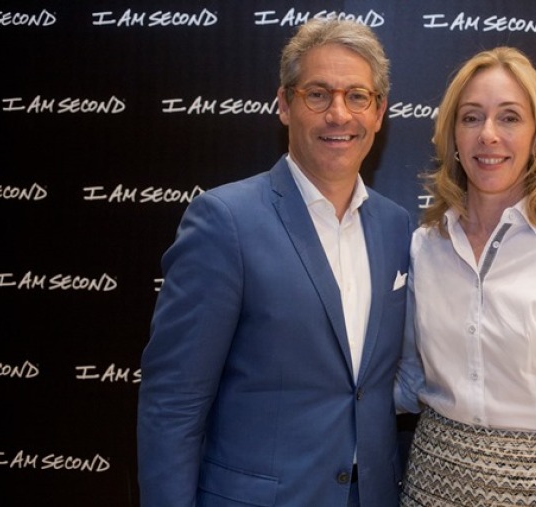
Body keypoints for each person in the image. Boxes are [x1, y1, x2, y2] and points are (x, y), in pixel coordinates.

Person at [138, 19, 411, 507]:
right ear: (284, 105)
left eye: (357, 96)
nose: (338, 114)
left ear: (379, 112)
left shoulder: (395, 226)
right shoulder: (224, 222)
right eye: (318, 94)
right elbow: (174, 403)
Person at [395, 46, 536, 506]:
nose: (489, 135)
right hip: (431, 486)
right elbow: (405, 381)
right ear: (452, 135)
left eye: (510, 118)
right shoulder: (425, 246)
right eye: (472, 117)